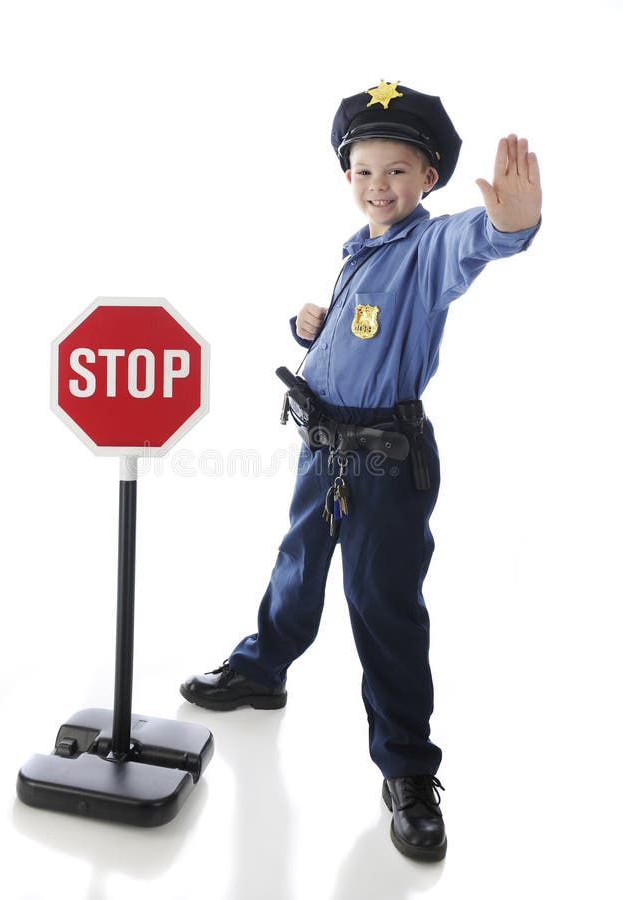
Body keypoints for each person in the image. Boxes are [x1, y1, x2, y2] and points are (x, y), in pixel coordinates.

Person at [180, 79, 542, 862]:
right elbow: (355, 335)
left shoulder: (427, 247)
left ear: (430, 179)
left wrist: (512, 220)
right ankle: (262, 669)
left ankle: (408, 771)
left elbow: (482, 239)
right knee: (297, 564)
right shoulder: (361, 249)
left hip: (384, 460)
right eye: (364, 172)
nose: (378, 188)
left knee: (384, 608)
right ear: (348, 177)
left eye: (398, 173)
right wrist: (308, 323)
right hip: (325, 445)